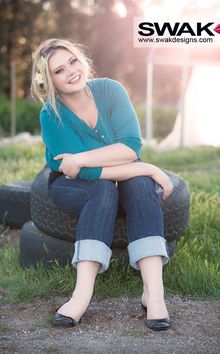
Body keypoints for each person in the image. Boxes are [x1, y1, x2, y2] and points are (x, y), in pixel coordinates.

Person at [31, 38, 173, 331]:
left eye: (72, 61)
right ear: (50, 82)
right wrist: (143, 166)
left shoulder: (110, 90)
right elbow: (74, 172)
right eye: (59, 70)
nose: (71, 71)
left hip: (118, 168)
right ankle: (81, 295)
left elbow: (131, 146)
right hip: (70, 183)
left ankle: (154, 293)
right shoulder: (51, 114)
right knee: (104, 188)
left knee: (140, 185)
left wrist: (83, 158)